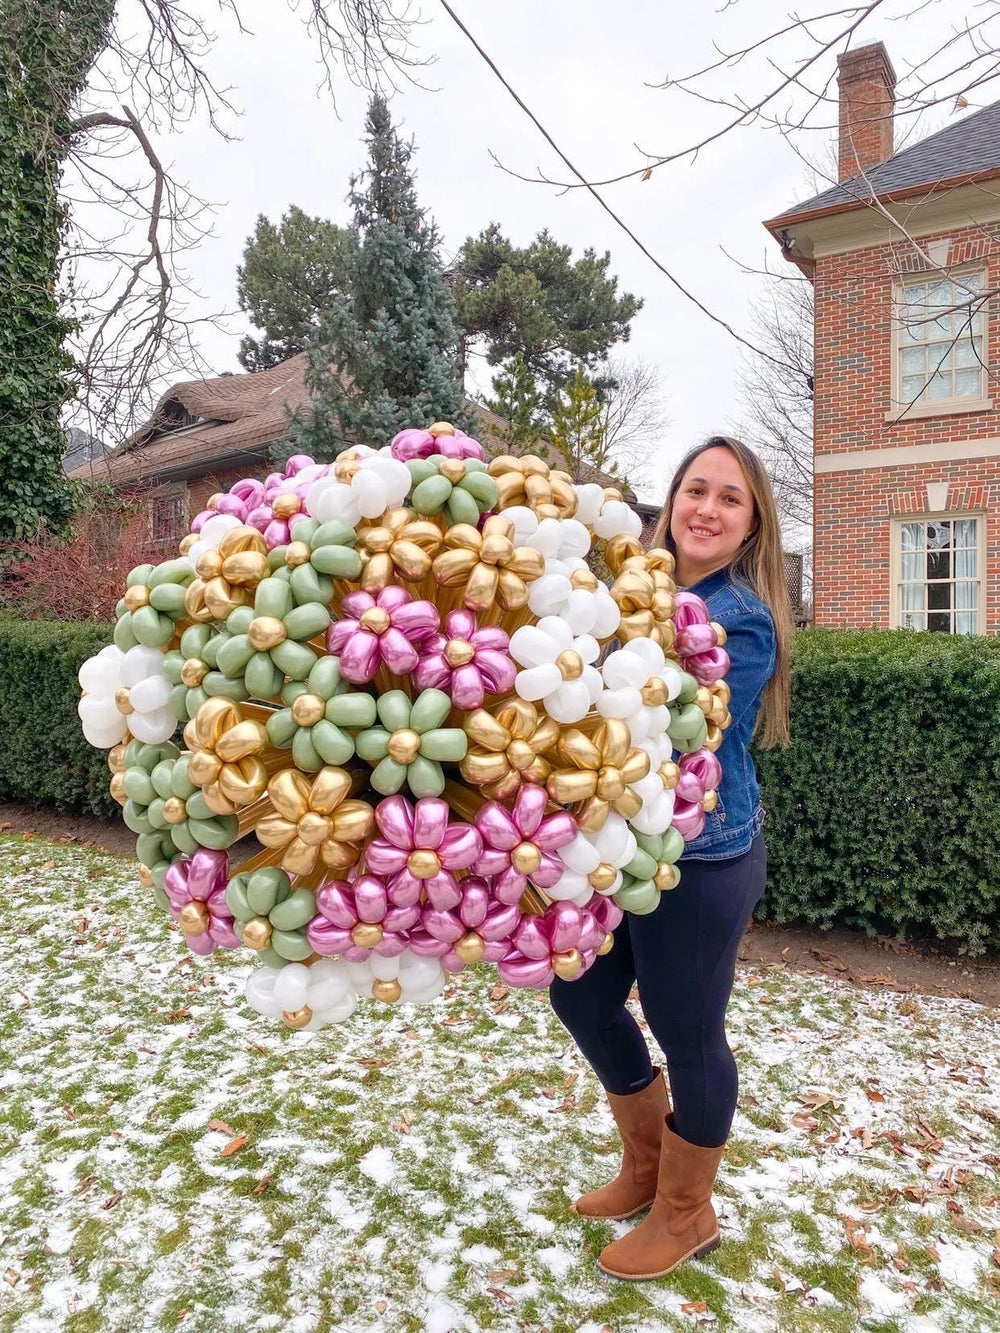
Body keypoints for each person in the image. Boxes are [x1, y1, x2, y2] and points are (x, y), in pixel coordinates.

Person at [550, 435, 792, 1281]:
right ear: (670, 500)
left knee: (689, 1029)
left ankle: (688, 1212)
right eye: (696, 489)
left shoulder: (742, 620)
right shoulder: (625, 588)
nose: (708, 509)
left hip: (703, 857)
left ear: (751, 521)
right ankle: (648, 1165)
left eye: (731, 497)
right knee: (579, 992)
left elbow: (673, 727)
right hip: (618, 843)